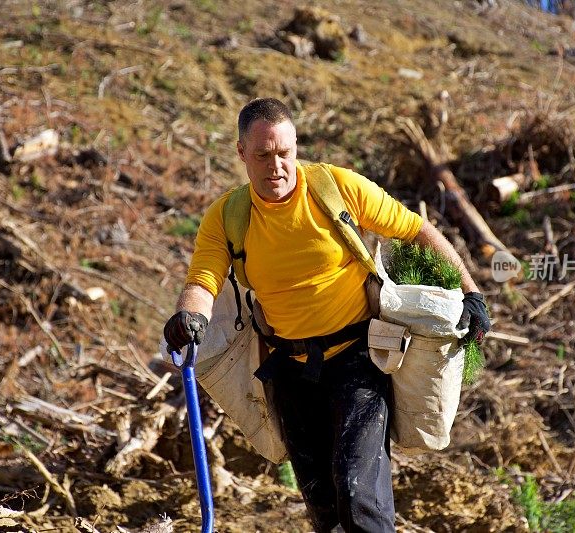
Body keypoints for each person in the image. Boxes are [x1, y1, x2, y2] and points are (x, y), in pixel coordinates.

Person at [163, 97, 490, 532]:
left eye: (284, 153)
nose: (275, 166)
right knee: (324, 507)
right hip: (289, 371)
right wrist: (190, 318)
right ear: (242, 153)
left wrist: (471, 292)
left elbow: (416, 229)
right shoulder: (228, 217)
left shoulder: (335, 188)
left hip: (358, 361)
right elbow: (204, 280)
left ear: (296, 146)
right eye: (262, 155)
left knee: (358, 496)